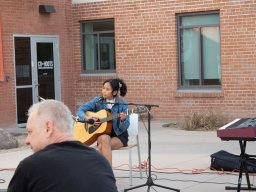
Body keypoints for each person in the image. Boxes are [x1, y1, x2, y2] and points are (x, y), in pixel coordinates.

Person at [8, 100, 118, 192]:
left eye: (30, 131)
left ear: (48, 128)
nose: (27, 140)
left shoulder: (30, 167)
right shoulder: (100, 160)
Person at [76, 78, 130, 166]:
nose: (104, 91)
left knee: (102, 147)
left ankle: (103, 174)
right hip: (103, 134)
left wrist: (123, 120)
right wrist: (87, 118)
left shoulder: (121, 104)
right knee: (104, 140)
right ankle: (107, 175)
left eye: (107, 89)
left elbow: (124, 127)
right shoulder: (98, 101)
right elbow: (80, 110)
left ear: (115, 92)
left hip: (119, 136)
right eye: (103, 88)